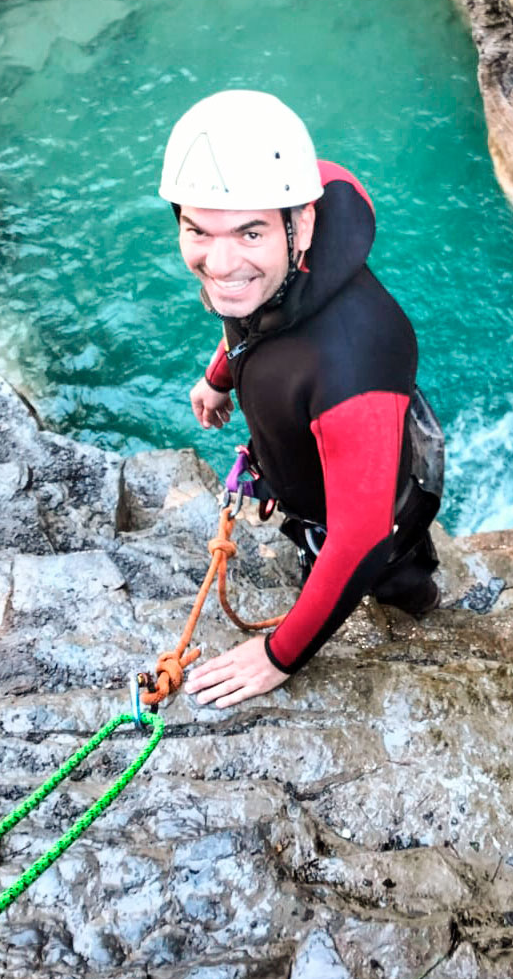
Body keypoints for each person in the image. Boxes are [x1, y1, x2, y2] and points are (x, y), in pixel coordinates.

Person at [158, 89, 443, 709]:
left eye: (248, 232)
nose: (220, 260)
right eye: (196, 231)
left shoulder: (354, 360)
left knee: (395, 577)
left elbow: (362, 537)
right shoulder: (275, 270)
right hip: (308, 468)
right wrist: (218, 378)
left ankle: (427, 618)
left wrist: (276, 655)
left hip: (371, 510)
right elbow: (246, 322)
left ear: (303, 223)